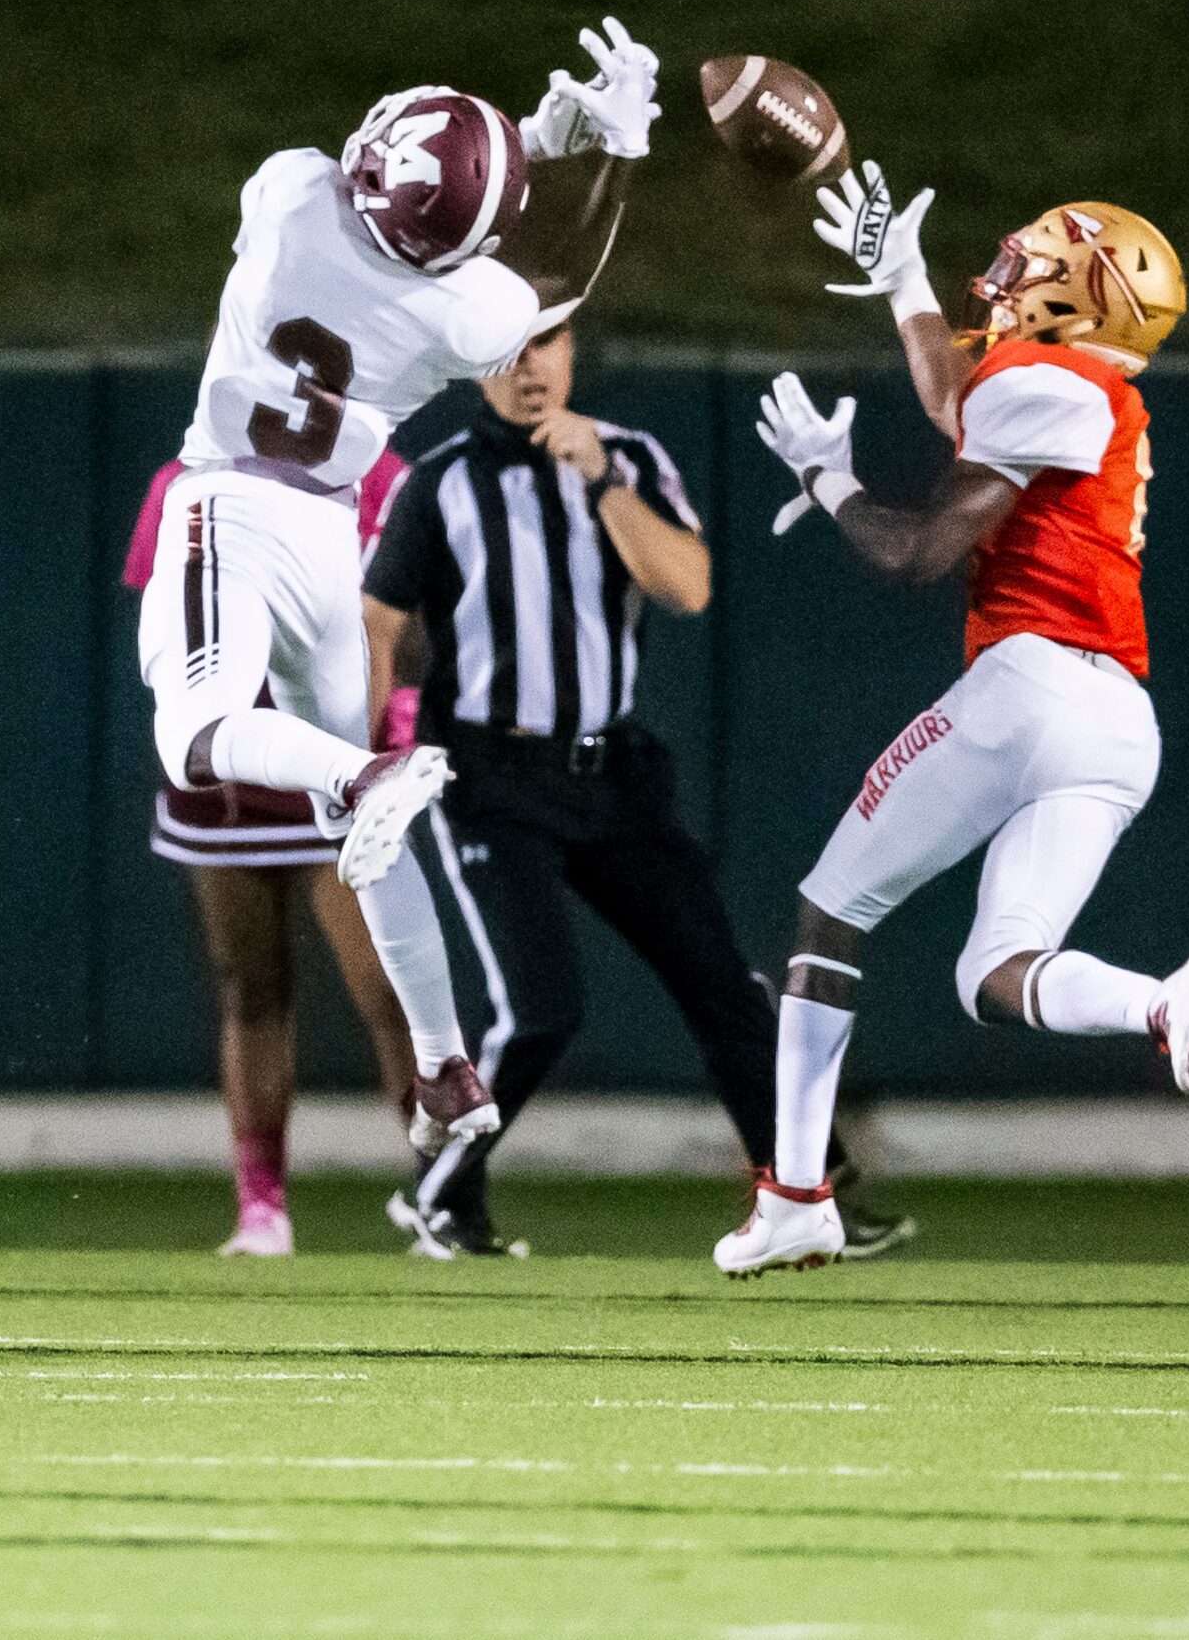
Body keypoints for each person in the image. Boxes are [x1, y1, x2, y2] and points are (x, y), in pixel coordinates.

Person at [135, 17, 660, 1162]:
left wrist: (531, 133)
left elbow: (380, 167)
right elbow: (555, 275)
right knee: (362, 834)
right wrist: (605, 150)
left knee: (198, 736)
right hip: (332, 535)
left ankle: (366, 769)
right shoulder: (459, 312)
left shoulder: (286, 197)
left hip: (227, 500)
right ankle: (442, 1063)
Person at [715, 166, 1189, 1276]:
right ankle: (1167, 1000)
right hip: (1115, 725)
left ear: (1084, 292)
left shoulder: (1055, 382)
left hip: (1028, 689)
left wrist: (826, 483)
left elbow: (916, 553)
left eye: (1045, 257)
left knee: (826, 913)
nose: (1015, 266)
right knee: (994, 974)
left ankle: (797, 1196)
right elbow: (962, 397)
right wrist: (899, 281)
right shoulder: (1069, 383)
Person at [361, 323, 915, 1258]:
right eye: (505, 349)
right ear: (473, 364)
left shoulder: (631, 457)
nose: (529, 366)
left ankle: (807, 1197)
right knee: (538, 1009)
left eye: (547, 343)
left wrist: (604, 483)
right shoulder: (440, 479)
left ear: (574, 350)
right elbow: (377, 626)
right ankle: (442, 1196)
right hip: (490, 773)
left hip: (613, 773)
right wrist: (360, 770)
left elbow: (688, 585)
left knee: (727, 989)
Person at [124, 451, 418, 1254]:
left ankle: (445, 1203)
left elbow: (413, 612)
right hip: (228, 764)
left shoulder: (378, 471)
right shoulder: (181, 478)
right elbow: (163, 611)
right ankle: (261, 1208)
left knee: (392, 993)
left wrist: (398, 712)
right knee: (251, 986)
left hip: (336, 757)